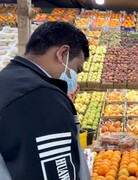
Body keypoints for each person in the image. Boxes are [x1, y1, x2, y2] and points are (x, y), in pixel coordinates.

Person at [0, 21, 90, 180]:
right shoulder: (43, 99)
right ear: (63, 54)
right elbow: (56, 171)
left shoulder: (7, 80)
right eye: (77, 69)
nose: (76, 78)